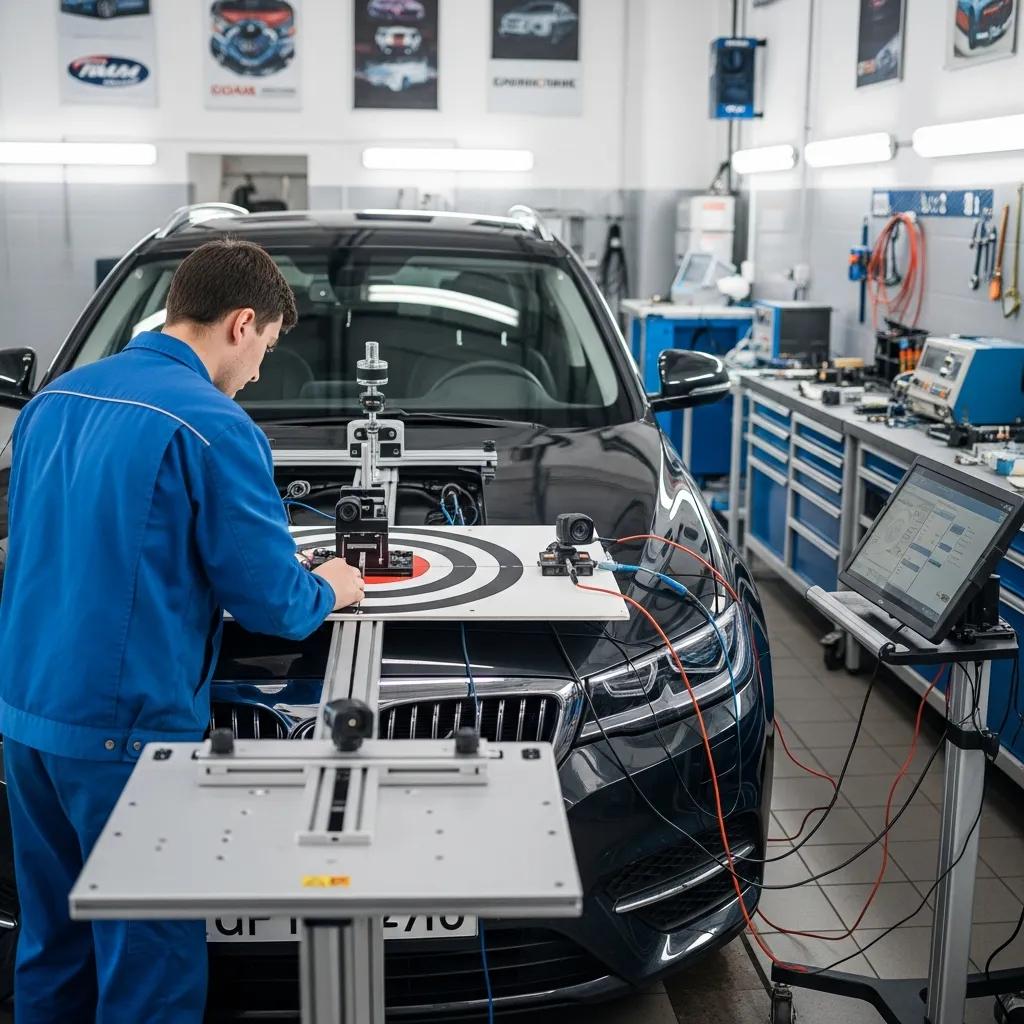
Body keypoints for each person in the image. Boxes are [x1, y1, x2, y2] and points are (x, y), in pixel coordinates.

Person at [0, 239, 363, 1022]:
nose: (261, 370)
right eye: (266, 346)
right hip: (127, 738)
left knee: (54, 946)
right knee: (150, 967)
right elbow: (274, 602)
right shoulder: (215, 425)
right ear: (241, 323)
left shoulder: (52, 402)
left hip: (29, 724)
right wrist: (330, 583)